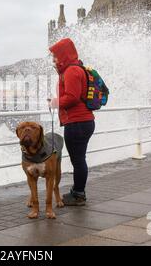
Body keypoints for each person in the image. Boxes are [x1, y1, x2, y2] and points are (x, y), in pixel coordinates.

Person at [48, 38, 95, 206]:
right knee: (79, 159)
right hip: (83, 121)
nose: (54, 59)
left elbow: (72, 97)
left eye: (55, 55)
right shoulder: (76, 68)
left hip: (77, 123)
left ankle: (79, 194)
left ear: (64, 55)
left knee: (78, 160)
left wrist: (55, 102)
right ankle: (78, 191)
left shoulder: (71, 71)